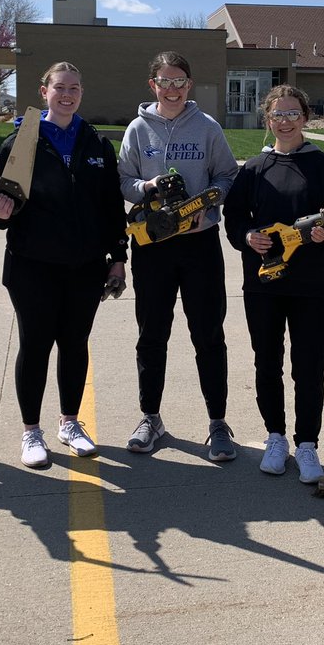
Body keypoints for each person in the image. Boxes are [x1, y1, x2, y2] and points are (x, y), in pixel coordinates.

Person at [0, 62, 128, 469]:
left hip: (84, 266)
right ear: (43, 91)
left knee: (75, 343)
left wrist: (118, 258)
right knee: (35, 345)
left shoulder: (96, 143)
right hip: (33, 265)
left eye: (75, 89)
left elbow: (110, 208)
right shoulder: (22, 141)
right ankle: (32, 431)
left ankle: (70, 422)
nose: (67, 95)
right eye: (60, 88)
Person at [223, 86, 324, 484]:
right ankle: (275, 436)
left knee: (309, 365)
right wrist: (248, 238)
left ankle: (307, 443)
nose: (285, 121)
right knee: (267, 362)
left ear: (305, 117)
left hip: (309, 284)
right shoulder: (254, 169)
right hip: (262, 285)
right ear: (268, 120)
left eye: (293, 114)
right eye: (278, 114)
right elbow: (234, 220)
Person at [118, 51, 239, 460]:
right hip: (153, 247)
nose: (172, 89)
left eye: (179, 81)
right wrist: (146, 186)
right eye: (164, 82)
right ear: (153, 85)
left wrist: (212, 200)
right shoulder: (137, 129)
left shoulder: (207, 128)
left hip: (199, 243)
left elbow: (227, 174)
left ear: (189, 85)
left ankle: (218, 423)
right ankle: (150, 417)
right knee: (152, 335)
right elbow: (122, 179)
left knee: (208, 334)